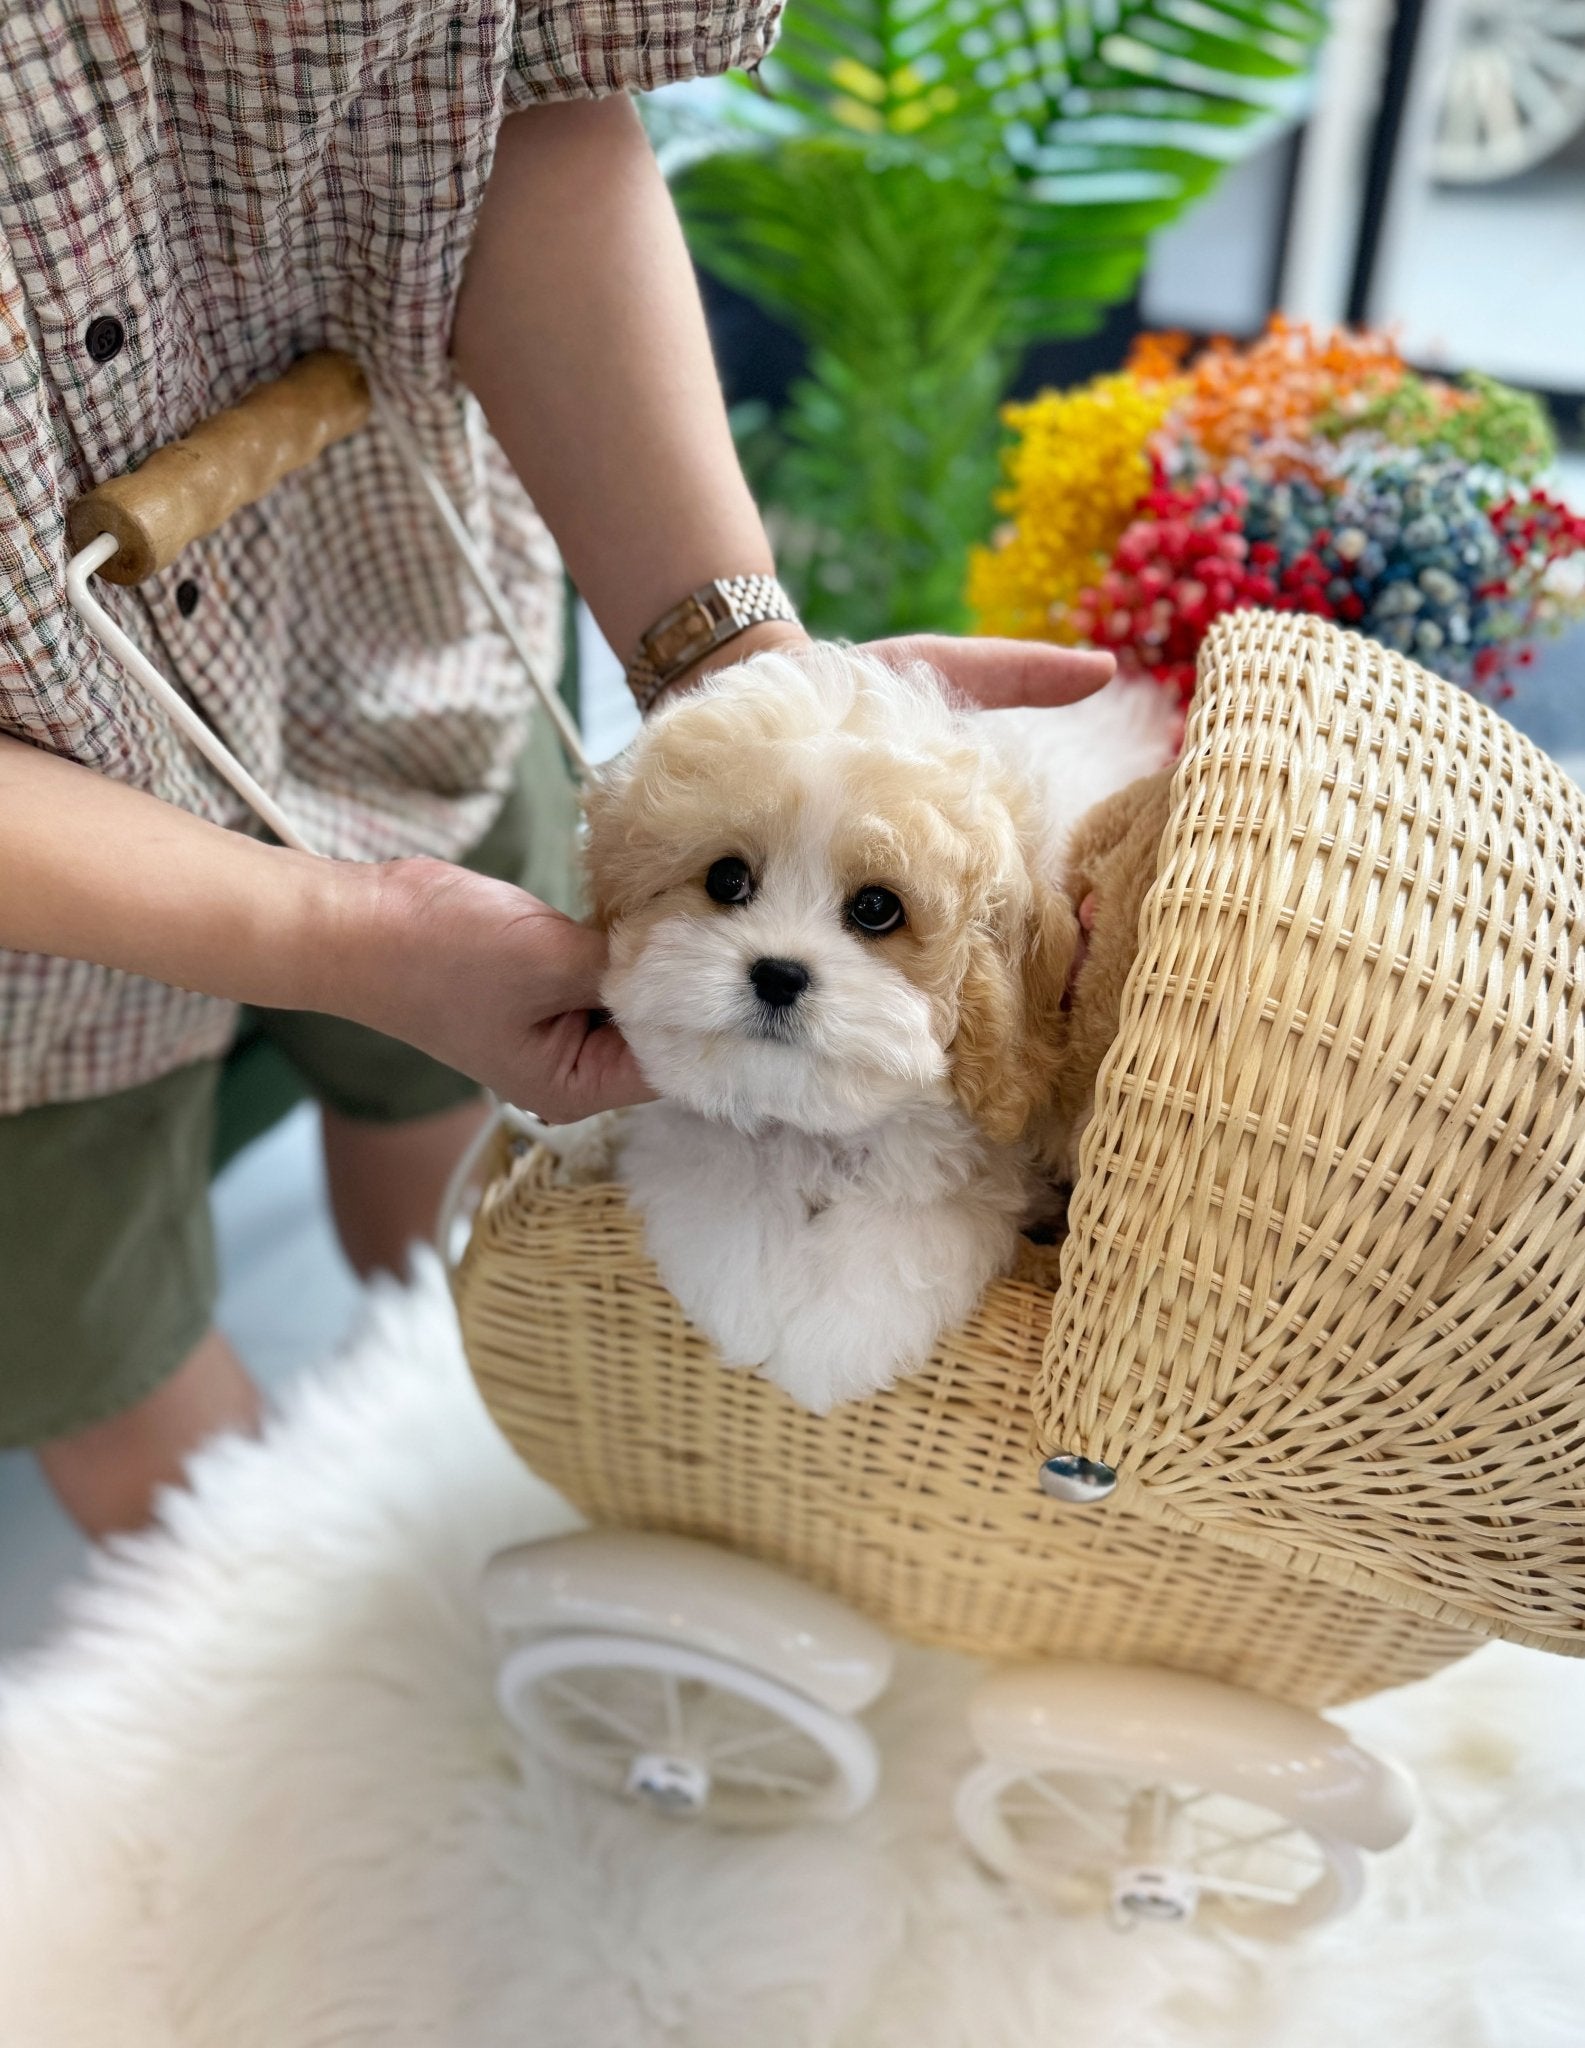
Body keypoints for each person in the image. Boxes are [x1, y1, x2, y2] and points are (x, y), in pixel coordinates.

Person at [0, 3, 1113, 1540]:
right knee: (125, 1391)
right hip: (26, 958)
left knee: (455, 1174)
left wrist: (737, 661)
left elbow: (523, 99)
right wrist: (341, 936)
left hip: (387, 636)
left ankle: (471, 1428)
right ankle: (311, 1614)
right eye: (726, 882)